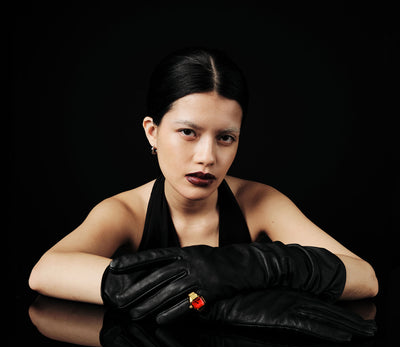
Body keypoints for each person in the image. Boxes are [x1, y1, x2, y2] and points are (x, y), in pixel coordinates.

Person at [29, 47, 378, 319]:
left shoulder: (259, 202)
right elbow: (45, 272)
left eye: (226, 137)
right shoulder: (127, 211)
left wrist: (255, 266)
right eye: (188, 132)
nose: (207, 157)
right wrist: (193, 274)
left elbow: (365, 278)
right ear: (152, 132)